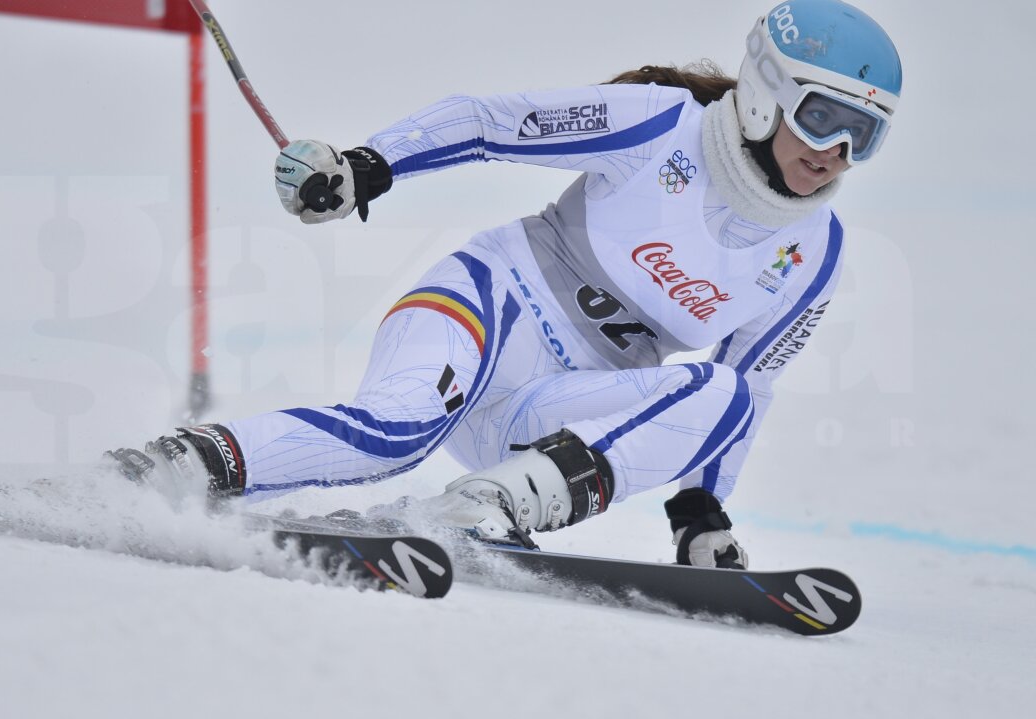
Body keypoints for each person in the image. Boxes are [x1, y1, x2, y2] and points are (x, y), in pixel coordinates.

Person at [109, 0, 902, 569]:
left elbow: (749, 389)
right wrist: (367, 166)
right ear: (765, 93)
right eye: (823, 116)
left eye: (862, 134)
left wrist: (699, 512)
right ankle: (176, 467)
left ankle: (484, 506)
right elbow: (493, 121)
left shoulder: (814, 253)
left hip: (554, 413)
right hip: (492, 305)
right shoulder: (664, 125)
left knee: (723, 392)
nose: (837, 151)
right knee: (395, 431)